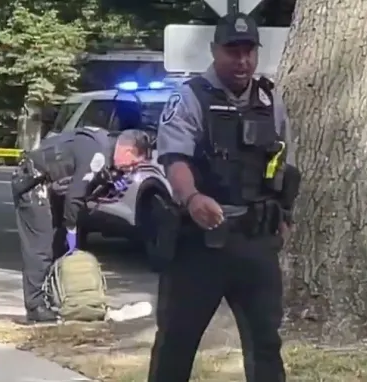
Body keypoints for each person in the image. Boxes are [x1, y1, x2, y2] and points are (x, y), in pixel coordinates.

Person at [147, 13, 300, 382]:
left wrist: (284, 214)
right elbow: (175, 159)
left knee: (266, 343)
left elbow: (284, 161)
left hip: (255, 241)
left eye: (249, 51)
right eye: (233, 51)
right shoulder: (191, 97)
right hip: (200, 243)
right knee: (177, 341)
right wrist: (192, 197)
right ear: (215, 50)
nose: (242, 60)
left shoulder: (269, 99)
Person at [11, 127, 150, 323]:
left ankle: (54, 299)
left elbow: (85, 189)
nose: (131, 169)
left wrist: (108, 185)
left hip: (50, 186)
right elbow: (74, 198)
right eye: (133, 163)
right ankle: (35, 308)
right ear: (127, 151)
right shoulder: (98, 153)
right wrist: (72, 228)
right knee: (40, 247)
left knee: (57, 245)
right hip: (32, 182)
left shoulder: (106, 152)